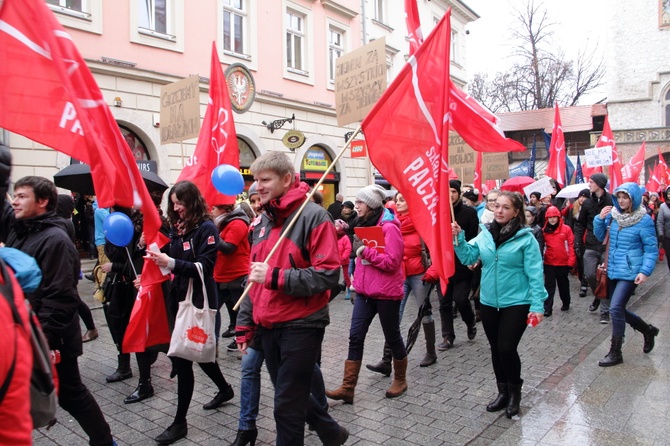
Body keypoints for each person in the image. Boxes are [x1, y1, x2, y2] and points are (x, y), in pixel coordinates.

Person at [237, 152, 348, 446]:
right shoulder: (260, 222)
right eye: (255, 180)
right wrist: (245, 324)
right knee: (291, 392)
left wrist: (276, 277)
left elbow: (328, 275)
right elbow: (254, 280)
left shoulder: (312, 216)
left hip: (303, 323)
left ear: (286, 180)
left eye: (265, 180)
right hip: (268, 324)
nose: (257, 186)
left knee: (286, 406)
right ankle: (331, 432)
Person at [6, 176, 115, 445]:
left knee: (71, 393)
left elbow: (62, 297)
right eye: (14, 195)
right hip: (21, 330)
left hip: (50, 336)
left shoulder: (55, 239)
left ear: (42, 201)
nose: (15, 201)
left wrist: (41, 339)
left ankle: (103, 440)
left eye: (22, 196)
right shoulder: (20, 231)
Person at [146, 181, 234, 445]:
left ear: (192, 201)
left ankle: (179, 423)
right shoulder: (177, 228)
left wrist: (171, 262)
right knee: (198, 352)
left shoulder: (207, 228)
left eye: (180, 203)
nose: (177, 209)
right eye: (173, 204)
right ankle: (225, 389)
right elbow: (172, 261)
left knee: (186, 357)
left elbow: (205, 267)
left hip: (198, 300)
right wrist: (153, 254)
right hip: (179, 298)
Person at [451, 191, 547, 419]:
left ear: (516, 212)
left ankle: (515, 392)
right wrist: (458, 238)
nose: (500, 211)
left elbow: (535, 273)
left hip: (517, 301)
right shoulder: (485, 234)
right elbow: (467, 258)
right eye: (496, 206)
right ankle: (502, 392)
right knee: (495, 348)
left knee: (506, 348)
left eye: (505, 207)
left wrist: (537, 305)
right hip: (488, 301)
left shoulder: (526, 238)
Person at [327, 184, 408, 403]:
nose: (357, 206)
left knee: (392, 336)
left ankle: (400, 379)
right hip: (364, 292)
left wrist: (364, 251)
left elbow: (392, 262)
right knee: (355, 337)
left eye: (361, 202)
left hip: (386, 293)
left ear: (371, 205)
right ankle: (348, 387)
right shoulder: (361, 224)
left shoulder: (389, 227)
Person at [367, 190, 435, 375]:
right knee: (394, 316)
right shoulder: (392, 223)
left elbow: (434, 248)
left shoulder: (422, 223)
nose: (399, 202)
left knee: (425, 313)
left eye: (403, 199)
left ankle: (431, 352)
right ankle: (386, 360)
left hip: (420, 274)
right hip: (399, 275)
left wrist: (433, 270)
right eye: (397, 199)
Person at [594, 182, 659, 367]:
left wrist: (645, 271)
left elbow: (651, 249)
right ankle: (647, 330)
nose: (621, 201)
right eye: (619, 197)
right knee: (619, 309)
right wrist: (600, 219)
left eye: (626, 197)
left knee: (614, 309)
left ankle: (616, 352)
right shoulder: (613, 216)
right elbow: (601, 237)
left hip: (631, 271)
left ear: (634, 199)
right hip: (613, 269)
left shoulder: (644, 220)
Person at [426, 181, 478, 352]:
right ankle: (448, 336)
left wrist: (460, 235)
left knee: (461, 299)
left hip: (462, 266)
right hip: (443, 265)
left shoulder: (469, 213)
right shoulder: (438, 214)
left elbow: (473, 240)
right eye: (447, 191)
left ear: (459, 193)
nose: (450, 194)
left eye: (454, 191)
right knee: (444, 303)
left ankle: (470, 322)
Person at [211, 199, 250, 352]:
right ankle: (212, 344)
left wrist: (214, 235)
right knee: (212, 310)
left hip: (236, 275)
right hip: (221, 275)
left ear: (223, 209)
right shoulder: (222, 223)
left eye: (214, 207)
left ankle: (245, 343)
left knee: (242, 312)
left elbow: (229, 248)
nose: (212, 210)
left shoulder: (238, 223)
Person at [574, 173, 613, 323]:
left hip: (606, 246)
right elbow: (580, 224)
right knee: (589, 274)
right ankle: (598, 294)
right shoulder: (588, 204)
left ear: (599, 184)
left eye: (591, 182)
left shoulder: (611, 201)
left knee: (605, 277)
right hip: (590, 244)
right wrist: (577, 242)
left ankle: (605, 311)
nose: (588, 184)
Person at [542, 206, 576, 316]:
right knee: (549, 286)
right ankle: (547, 308)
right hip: (549, 263)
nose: (552, 219)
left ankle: (566, 302)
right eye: (550, 217)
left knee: (563, 285)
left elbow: (571, 246)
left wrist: (571, 261)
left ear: (558, 217)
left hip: (563, 263)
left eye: (554, 217)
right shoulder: (544, 231)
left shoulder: (566, 229)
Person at [571, 189, 591, 297]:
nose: (582, 199)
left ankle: (586, 282)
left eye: (585, 197)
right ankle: (583, 281)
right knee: (580, 262)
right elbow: (571, 224)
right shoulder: (573, 210)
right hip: (578, 238)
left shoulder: (591, 209)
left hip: (589, 238)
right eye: (580, 196)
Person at [657, 186, 670, 271]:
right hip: (667, 237)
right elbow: (660, 221)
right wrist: (660, 233)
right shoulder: (663, 206)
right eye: (669, 193)